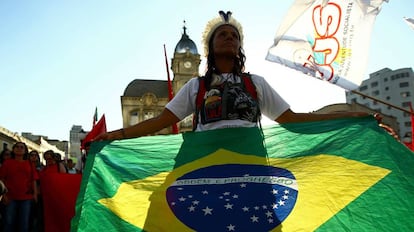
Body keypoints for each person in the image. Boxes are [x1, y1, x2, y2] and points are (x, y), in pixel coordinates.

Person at [95, 10, 368, 141]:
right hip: (205, 167)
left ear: (240, 46)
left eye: (234, 36)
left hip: (252, 164)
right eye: (222, 35)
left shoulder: (255, 83)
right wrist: (114, 135)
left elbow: (292, 119)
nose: (229, 38)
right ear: (210, 47)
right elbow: (161, 122)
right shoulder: (195, 86)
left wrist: (351, 117)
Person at [0, 142, 39, 232]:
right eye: (17, 147)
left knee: (24, 223)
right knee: (8, 222)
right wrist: (4, 195)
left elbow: (34, 180)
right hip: (10, 197)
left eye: (22, 147)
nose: (19, 148)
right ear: (13, 149)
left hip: (26, 198)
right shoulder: (7, 163)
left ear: (25, 151)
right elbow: (1, 179)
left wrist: (35, 194)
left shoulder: (29, 164)